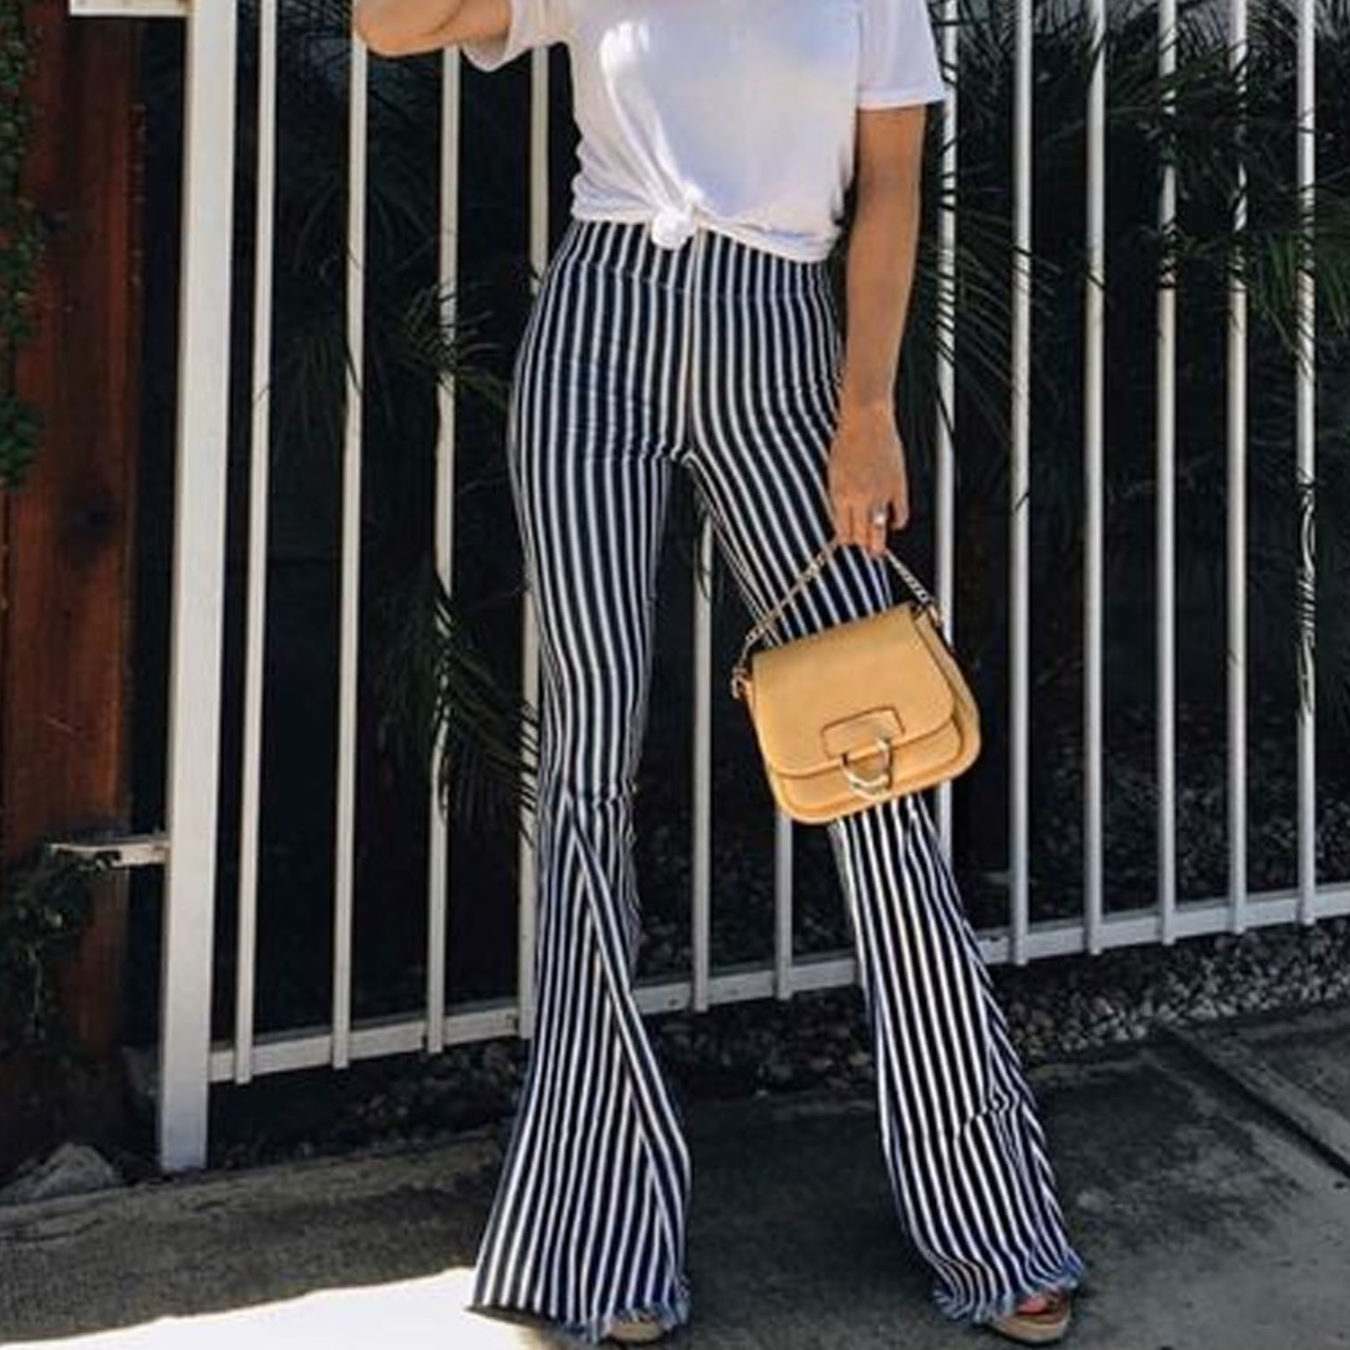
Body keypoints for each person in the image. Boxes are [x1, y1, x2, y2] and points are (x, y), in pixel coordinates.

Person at [353, 0, 1089, 1343]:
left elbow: (891, 185)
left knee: (876, 759)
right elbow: (390, 26)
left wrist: (867, 408)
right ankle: (601, 1238)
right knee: (587, 758)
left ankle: (987, 1212)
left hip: (782, 346)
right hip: (598, 333)